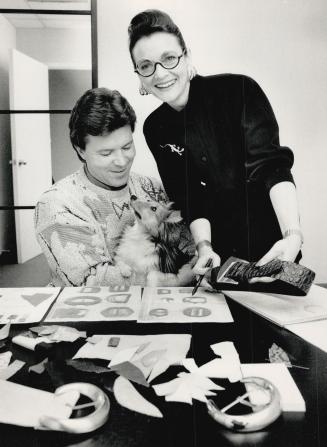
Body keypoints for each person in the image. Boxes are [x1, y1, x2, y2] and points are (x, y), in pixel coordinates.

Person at [127, 9, 303, 280]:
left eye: (169, 59)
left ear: (187, 56)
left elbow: (272, 167)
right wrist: (204, 246)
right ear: (139, 74)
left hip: (278, 249)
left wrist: (292, 235)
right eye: (146, 65)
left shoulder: (239, 90)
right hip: (221, 262)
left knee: (286, 318)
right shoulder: (155, 128)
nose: (160, 74)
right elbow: (190, 198)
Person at [34, 87, 193, 287]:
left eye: (127, 147)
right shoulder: (58, 203)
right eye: (106, 153)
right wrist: (175, 280)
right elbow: (90, 282)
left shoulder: (151, 187)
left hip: (155, 307)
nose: (121, 161)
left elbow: (187, 248)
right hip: (90, 311)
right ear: (81, 150)